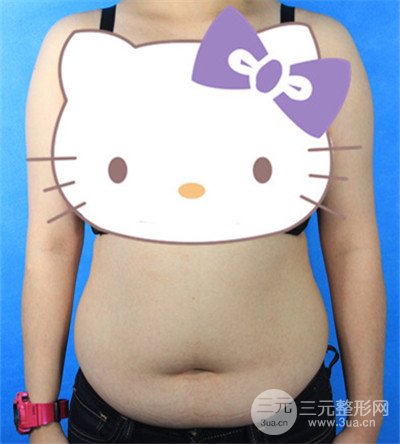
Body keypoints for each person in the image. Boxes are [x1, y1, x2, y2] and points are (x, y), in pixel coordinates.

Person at [22, 0, 386, 443]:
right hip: (111, 424)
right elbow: (52, 246)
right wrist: (40, 419)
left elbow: (352, 243)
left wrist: (366, 421)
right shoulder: (74, 44)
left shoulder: (319, 45)